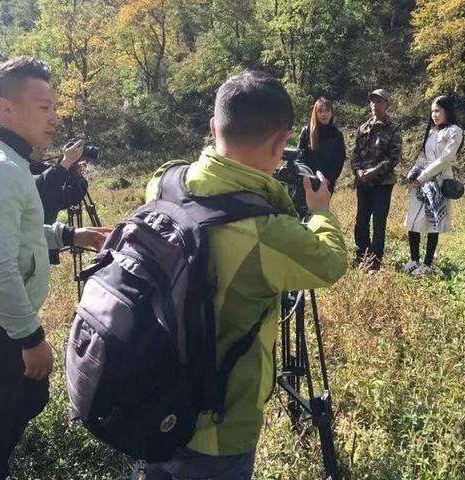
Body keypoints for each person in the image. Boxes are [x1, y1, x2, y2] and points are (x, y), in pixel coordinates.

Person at [138, 71, 348, 480]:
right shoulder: (267, 231)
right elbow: (329, 263)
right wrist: (320, 211)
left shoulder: (162, 183)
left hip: (150, 398)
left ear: (213, 127)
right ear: (278, 142)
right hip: (217, 430)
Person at [0, 56, 110, 479]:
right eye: (44, 108)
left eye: (55, 107)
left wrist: (70, 236)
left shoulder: (4, 159)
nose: (54, 118)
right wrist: (31, 337)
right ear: (6, 107)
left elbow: (15, 230)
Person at [402, 94, 464, 276]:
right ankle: (414, 260)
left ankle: (427, 264)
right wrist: (412, 174)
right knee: (413, 219)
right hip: (420, 182)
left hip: (438, 182)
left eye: (437, 111)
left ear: (447, 111)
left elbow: (445, 160)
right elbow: (422, 156)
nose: (434, 115)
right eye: (432, 112)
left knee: (433, 222)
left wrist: (423, 176)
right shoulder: (431, 133)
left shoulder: (454, 131)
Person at [351, 89, 402, 272]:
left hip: (382, 183)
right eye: (372, 101)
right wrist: (357, 172)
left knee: (378, 221)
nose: (374, 104)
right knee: (361, 220)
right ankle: (361, 255)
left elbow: (394, 157)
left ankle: (375, 259)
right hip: (363, 182)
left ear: (387, 105)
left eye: (379, 101)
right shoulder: (363, 127)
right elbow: (355, 153)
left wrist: (374, 171)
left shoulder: (393, 128)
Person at [30, 140, 89, 264]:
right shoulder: (18, 170)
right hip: (28, 242)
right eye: (39, 148)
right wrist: (65, 163)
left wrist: (76, 174)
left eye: (45, 149)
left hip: (46, 241)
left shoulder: (47, 169)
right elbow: (42, 185)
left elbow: (70, 198)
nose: (43, 151)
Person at [296, 97, 346, 193]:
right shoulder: (307, 131)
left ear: (331, 113)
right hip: (306, 181)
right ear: (316, 113)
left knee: (321, 208)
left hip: (326, 182)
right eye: (320, 111)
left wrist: (329, 179)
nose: (324, 114)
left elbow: (339, 160)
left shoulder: (337, 134)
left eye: (327, 111)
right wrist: (306, 177)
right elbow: (299, 157)